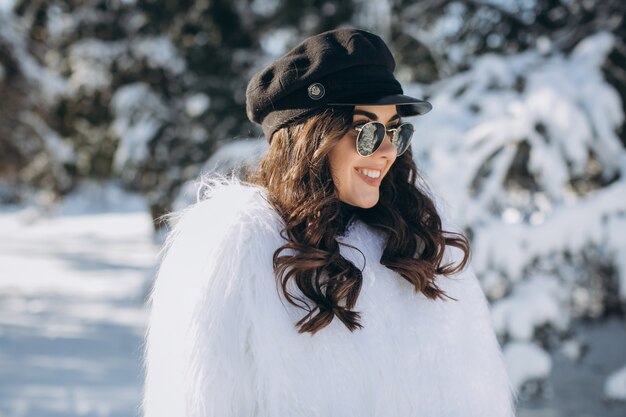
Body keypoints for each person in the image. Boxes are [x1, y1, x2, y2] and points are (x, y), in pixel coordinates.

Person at [142, 28, 516, 417]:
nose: (388, 150)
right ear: (313, 138)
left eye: (395, 131)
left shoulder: (416, 244)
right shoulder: (235, 252)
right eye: (368, 132)